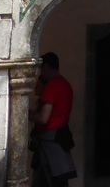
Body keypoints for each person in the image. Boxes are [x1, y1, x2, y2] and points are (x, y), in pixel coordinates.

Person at [30, 52, 77, 186]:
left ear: (45, 67)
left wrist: (28, 115)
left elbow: (44, 118)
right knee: (56, 180)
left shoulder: (52, 86)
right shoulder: (65, 84)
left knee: (50, 180)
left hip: (50, 139)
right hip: (60, 136)